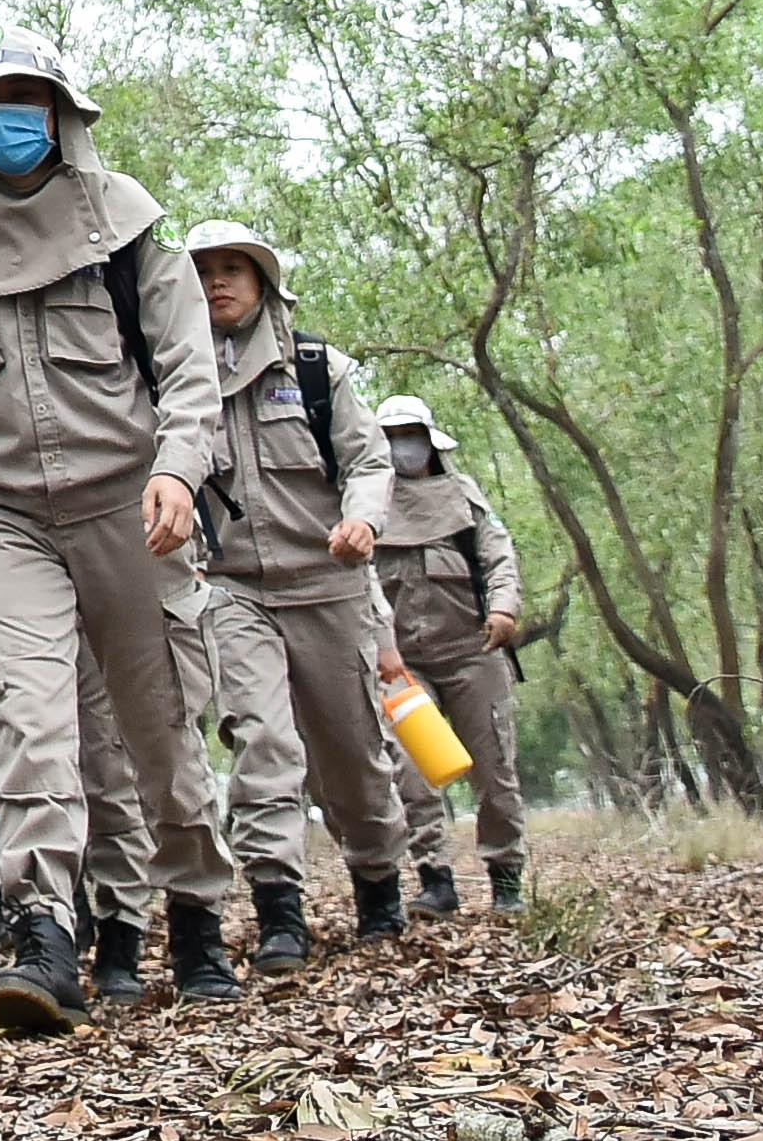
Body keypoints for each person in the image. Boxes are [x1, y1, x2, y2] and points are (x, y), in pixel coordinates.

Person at [0, 35, 242, 1029]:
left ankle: (197, 915)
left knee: (158, 724)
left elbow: (186, 368)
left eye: (21, 96)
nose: (2, 115)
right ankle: (43, 930)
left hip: (130, 506)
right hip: (1, 516)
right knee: (27, 722)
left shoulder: (128, 226)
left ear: (59, 111)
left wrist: (177, 465)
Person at [181, 227, 408, 961]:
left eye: (231, 269)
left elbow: (368, 460)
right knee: (262, 742)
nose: (218, 283)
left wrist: (361, 520)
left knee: (351, 755)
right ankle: (279, 907)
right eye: (203, 272)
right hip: (230, 589)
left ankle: (378, 885)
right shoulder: (169, 376)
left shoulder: (316, 368)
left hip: (329, 584)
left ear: (262, 280)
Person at [367, 391, 526, 916]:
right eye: (391, 438)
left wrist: (503, 610)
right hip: (401, 663)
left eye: (409, 437)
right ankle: (435, 877)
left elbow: (498, 556)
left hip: (472, 653)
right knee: (412, 772)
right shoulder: (365, 504)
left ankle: (506, 878)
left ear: (430, 441)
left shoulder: (463, 495)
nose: (402, 448)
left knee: (494, 770)